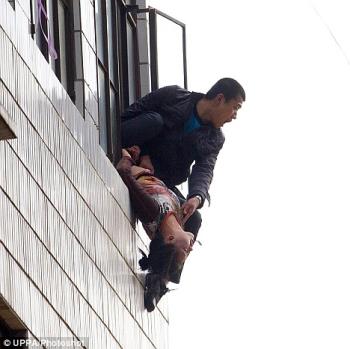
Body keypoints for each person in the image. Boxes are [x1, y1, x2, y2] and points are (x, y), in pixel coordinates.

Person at [121, 78, 245, 241]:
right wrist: (144, 153)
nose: (234, 116)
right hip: (128, 146)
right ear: (220, 99)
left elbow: (204, 169)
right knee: (154, 121)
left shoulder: (215, 138)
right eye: (235, 108)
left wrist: (197, 196)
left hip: (160, 178)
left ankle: (161, 264)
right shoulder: (174, 96)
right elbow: (130, 116)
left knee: (194, 219)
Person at [117, 146, 195, 312]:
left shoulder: (152, 212)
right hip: (150, 164)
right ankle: (161, 279)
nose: (191, 248)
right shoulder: (181, 220)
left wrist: (129, 156)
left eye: (185, 250)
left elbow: (124, 173)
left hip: (131, 151)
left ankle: (159, 281)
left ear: (170, 239)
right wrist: (195, 198)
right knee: (197, 218)